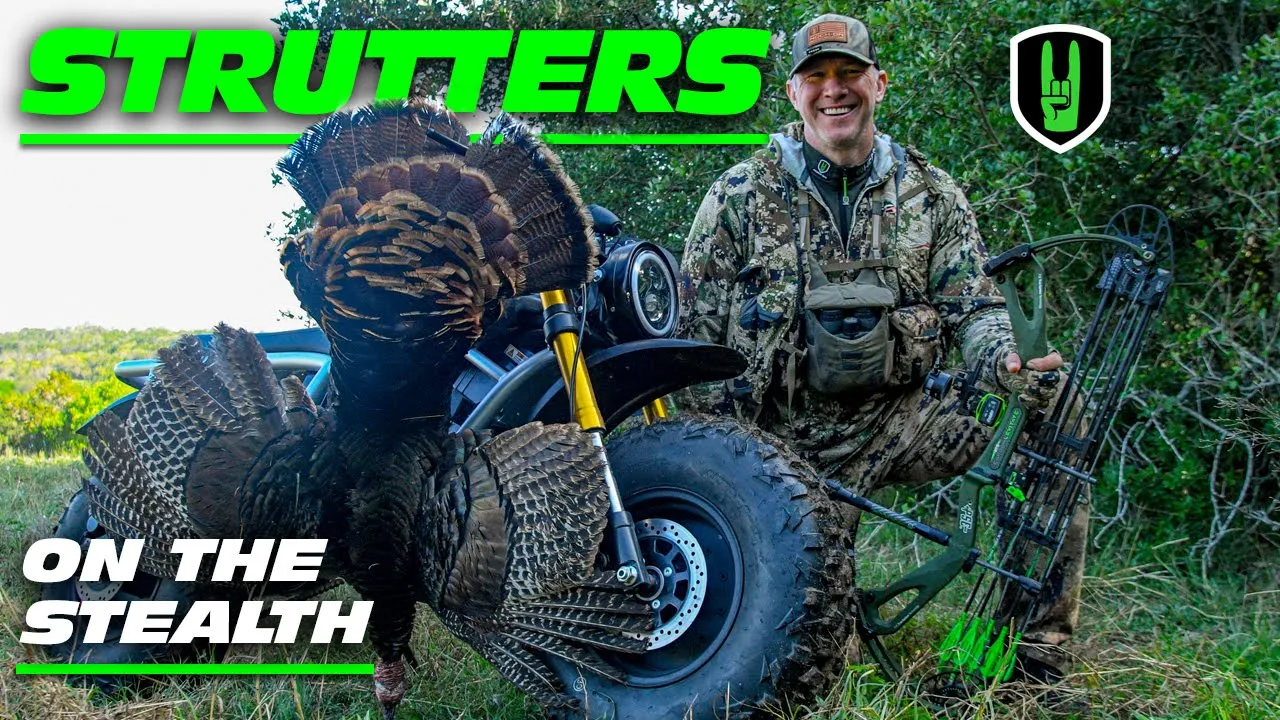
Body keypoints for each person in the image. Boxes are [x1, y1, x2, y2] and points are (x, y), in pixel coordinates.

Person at [676, 13, 1086, 686]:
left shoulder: (932, 193)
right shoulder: (738, 196)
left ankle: (1034, 656)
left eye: (849, 73)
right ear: (793, 93)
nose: (833, 90)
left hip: (904, 422)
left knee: (1052, 403)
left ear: (880, 84)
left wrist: (1007, 358)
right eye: (816, 77)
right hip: (781, 453)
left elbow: (975, 307)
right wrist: (729, 477)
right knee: (806, 669)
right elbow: (694, 345)